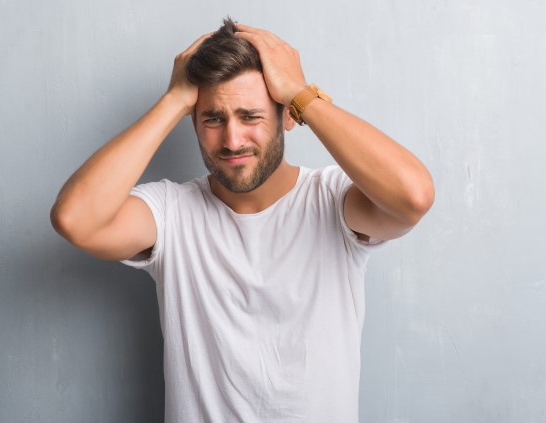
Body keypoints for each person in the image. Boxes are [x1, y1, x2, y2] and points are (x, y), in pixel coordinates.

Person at [51, 17, 434, 423]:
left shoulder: (333, 202)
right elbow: (76, 219)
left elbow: (413, 196)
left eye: (250, 116)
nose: (232, 141)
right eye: (213, 119)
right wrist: (173, 100)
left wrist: (301, 94)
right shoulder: (171, 213)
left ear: (289, 116)